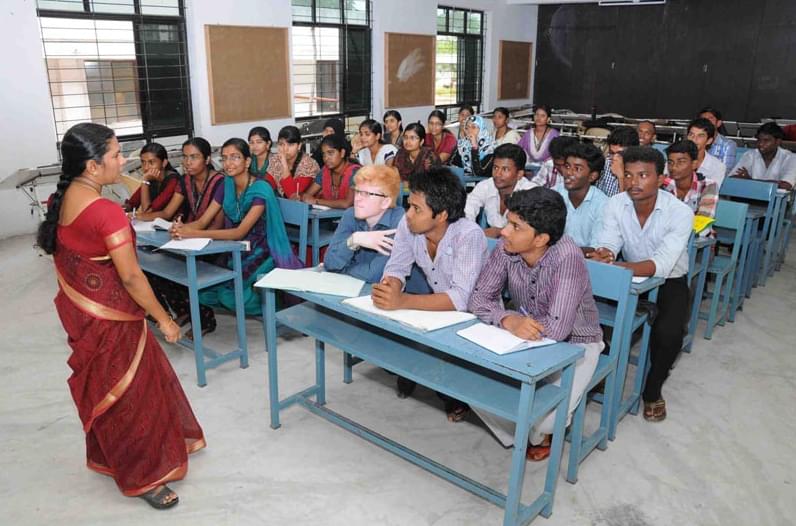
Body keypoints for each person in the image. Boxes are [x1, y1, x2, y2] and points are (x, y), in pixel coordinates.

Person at [37, 122, 204, 509]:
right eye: (115, 154)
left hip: (87, 317)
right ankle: (144, 474)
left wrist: (127, 178)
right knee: (134, 396)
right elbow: (130, 276)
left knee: (107, 389)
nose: (123, 159)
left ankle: (109, 455)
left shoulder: (63, 199)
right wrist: (163, 318)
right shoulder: (106, 214)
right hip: (114, 322)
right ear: (92, 166)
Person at [468, 187, 604, 460]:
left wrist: (517, 323)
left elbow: (556, 330)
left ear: (541, 238)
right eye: (507, 221)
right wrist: (507, 318)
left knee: (543, 419)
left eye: (515, 226)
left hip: (575, 344)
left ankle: (537, 430)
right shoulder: (508, 248)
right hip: (521, 335)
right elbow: (479, 298)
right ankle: (522, 433)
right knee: (469, 382)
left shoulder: (567, 257)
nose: (504, 231)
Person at [376, 168, 488, 421]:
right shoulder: (408, 225)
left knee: (456, 377)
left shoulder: (468, 236)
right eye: (409, 205)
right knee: (391, 341)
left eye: (417, 209)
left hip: (475, 318)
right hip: (438, 308)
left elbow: (461, 298)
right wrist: (391, 286)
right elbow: (397, 265)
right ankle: (418, 373)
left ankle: (452, 392)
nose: (408, 214)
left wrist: (402, 301)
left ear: (442, 215)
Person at [590, 146, 693, 422]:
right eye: (629, 175)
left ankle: (652, 390)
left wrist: (621, 267)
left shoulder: (680, 212)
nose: (634, 182)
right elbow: (610, 241)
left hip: (668, 279)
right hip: (629, 275)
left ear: (661, 178)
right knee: (588, 314)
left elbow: (663, 262)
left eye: (643, 175)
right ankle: (599, 369)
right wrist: (606, 253)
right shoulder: (615, 204)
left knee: (670, 335)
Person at [171, 138, 303, 315]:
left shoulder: (261, 188)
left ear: (247, 161)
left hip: (264, 249)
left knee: (228, 297)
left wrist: (191, 233)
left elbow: (239, 232)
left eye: (235, 157)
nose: (228, 163)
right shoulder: (226, 185)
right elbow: (202, 222)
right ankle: (256, 295)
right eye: (224, 158)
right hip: (237, 248)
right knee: (203, 292)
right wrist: (181, 229)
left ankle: (276, 304)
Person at [147, 137, 225, 334]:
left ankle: (205, 321)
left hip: (217, 241)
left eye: (194, 157)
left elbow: (206, 223)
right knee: (154, 267)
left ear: (207, 159)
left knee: (180, 269)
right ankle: (185, 311)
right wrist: (177, 226)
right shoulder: (186, 181)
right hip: (192, 237)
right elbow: (168, 213)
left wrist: (183, 230)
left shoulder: (220, 182)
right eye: (185, 157)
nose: (188, 162)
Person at [324, 165, 426, 292]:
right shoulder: (350, 215)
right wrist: (354, 240)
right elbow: (329, 262)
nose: (357, 198)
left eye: (366, 194)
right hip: (358, 291)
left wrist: (343, 268)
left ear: (385, 202)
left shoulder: (401, 223)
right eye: (357, 191)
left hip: (409, 298)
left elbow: (375, 275)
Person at [465, 143, 536, 237]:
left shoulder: (531, 193)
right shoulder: (485, 186)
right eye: (495, 168)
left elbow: (531, 232)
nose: (498, 174)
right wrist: (471, 231)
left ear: (519, 174)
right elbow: (467, 210)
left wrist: (499, 231)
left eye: (505, 169)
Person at [555, 142, 608, 253]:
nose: (569, 172)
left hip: (586, 265)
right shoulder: (554, 194)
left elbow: (596, 249)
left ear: (592, 176)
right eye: (567, 166)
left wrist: (566, 252)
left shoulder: (603, 204)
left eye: (577, 169)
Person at [663, 140, 718, 222]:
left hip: (696, 233)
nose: (674, 167)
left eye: (681, 162)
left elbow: (702, 222)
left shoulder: (708, 186)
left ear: (694, 164)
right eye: (670, 162)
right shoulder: (663, 184)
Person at [730, 122, 796, 191]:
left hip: (778, 200)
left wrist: (749, 180)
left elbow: (785, 185)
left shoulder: (791, 158)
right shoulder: (750, 155)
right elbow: (732, 178)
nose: (760, 144)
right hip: (750, 197)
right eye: (759, 140)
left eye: (766, 140)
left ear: (778, 142)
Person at [301, 134, 358, 209]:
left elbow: (347, 204)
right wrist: (301, 196)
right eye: (324, 154)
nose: (326, 158)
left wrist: (316, 201)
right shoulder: (325, 171)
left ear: (342, 153)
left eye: (330, 153)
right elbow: (308, 195)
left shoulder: (355, 172)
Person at [125, 142, 179, 218]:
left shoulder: (173, 181)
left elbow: (147, 211)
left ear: (164, 163)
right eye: (143, 162)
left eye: (151, 162)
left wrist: (145, 181)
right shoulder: (151, 178)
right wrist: (118, 209)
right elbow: (132, 204)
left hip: (175, 226)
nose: (146, 167)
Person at [265, 125, 321, 199]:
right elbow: (267, 186)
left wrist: (284, 164)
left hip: (311, 207)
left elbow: (293, 196)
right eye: (281, 144)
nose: (285, 149)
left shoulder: (309, 164)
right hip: (286, 205)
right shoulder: (275, 160)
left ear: (299, 146)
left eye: (290, 145)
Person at [595, 127, 639, 197]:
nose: (615, 157)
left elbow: (628, 204)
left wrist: (621, 177)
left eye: (620, 154)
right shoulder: (604, 164)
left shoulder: (640, 170)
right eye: (611, 153)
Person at [685, 118, 727, 188]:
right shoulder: (675, 158)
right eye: (691, 134)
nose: (694, 139)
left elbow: (710, 194)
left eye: (700, 136)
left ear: (709, 141)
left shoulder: (718, 167)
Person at [699, 107, 737, 173]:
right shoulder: (694, 142)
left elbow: (725, 172)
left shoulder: (728, 144)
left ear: (718, 123)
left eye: (710, 119)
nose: (706, 122)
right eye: (703, 119)